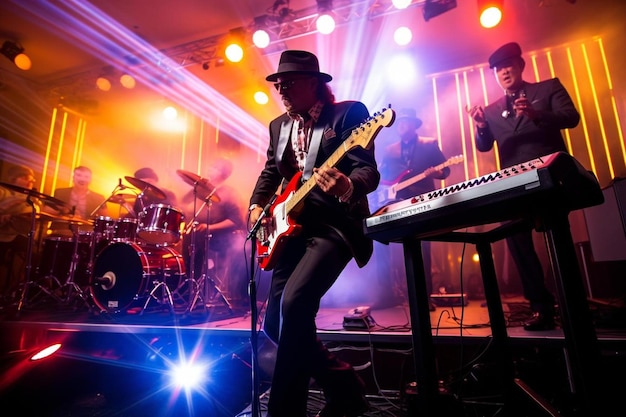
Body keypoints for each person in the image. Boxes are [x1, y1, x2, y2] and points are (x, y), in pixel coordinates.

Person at [248, 50, 380, 417]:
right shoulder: (278, 126)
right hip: (291, 229)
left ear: (314, 83)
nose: (282, 90)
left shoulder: (349, 114)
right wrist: (257, 208)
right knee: (275, 322)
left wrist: (347, 186)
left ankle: (284, 411)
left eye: (289, 83)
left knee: (294, 306)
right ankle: (344, 385)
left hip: (334, 226)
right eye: (278, 84)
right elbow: (270, 174)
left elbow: (367, 170)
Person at [467, 42, 580, 331]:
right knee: (517, 241)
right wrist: (480, 126)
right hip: (514, 184)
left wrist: (536, 114)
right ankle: (540, 306)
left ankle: (573, 304)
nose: (503, 72)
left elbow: (572, 117)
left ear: (520, 67)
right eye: (497, 69)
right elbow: (483, 147)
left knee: (557, 238)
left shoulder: (547, 88)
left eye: (508, 66)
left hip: (549, 178)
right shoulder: (491, 109)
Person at [377, 108, 451, 311]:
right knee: (381, 241)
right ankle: (387, 294)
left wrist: (438, 172)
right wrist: (384, 190)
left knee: (423, 246)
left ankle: (424, 296)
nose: (401, 125)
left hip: (421, 199)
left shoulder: (429, 144)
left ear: (413, 124)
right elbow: (382, 175)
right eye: (399, 122)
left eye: (405, 122)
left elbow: (446, 169)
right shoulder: (390, 150)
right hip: (396, 200)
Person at [181, 158, 247, 307]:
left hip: (221, 239)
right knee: (189, 237)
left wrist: (209, 227)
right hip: (201, 236)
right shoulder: (204, 190)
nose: (209, 169)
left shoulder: (229, 193)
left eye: (214, 167)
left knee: (196, 241)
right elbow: (184, 203)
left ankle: (201, 287)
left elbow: (236, 221)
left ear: (222, 173)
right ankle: (191, 286)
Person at [0, 165, 41, 302]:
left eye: (31, 179)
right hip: (2, 235)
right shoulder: (3, 191)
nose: (30, 182)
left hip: (18, 236)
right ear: (14, 179)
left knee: (36, 254)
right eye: (25, 178)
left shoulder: (32, 198)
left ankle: (28, 292)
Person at [51, 165, 109, 236]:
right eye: (79, 175)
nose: (82, 179)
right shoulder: (60, 193)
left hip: (86, 235)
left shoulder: (99, 198)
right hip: (61, 232)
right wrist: (64, 211)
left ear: (90, 180)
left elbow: (105, 219)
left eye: (86, 177)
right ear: (73, 177)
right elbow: (47, 211)